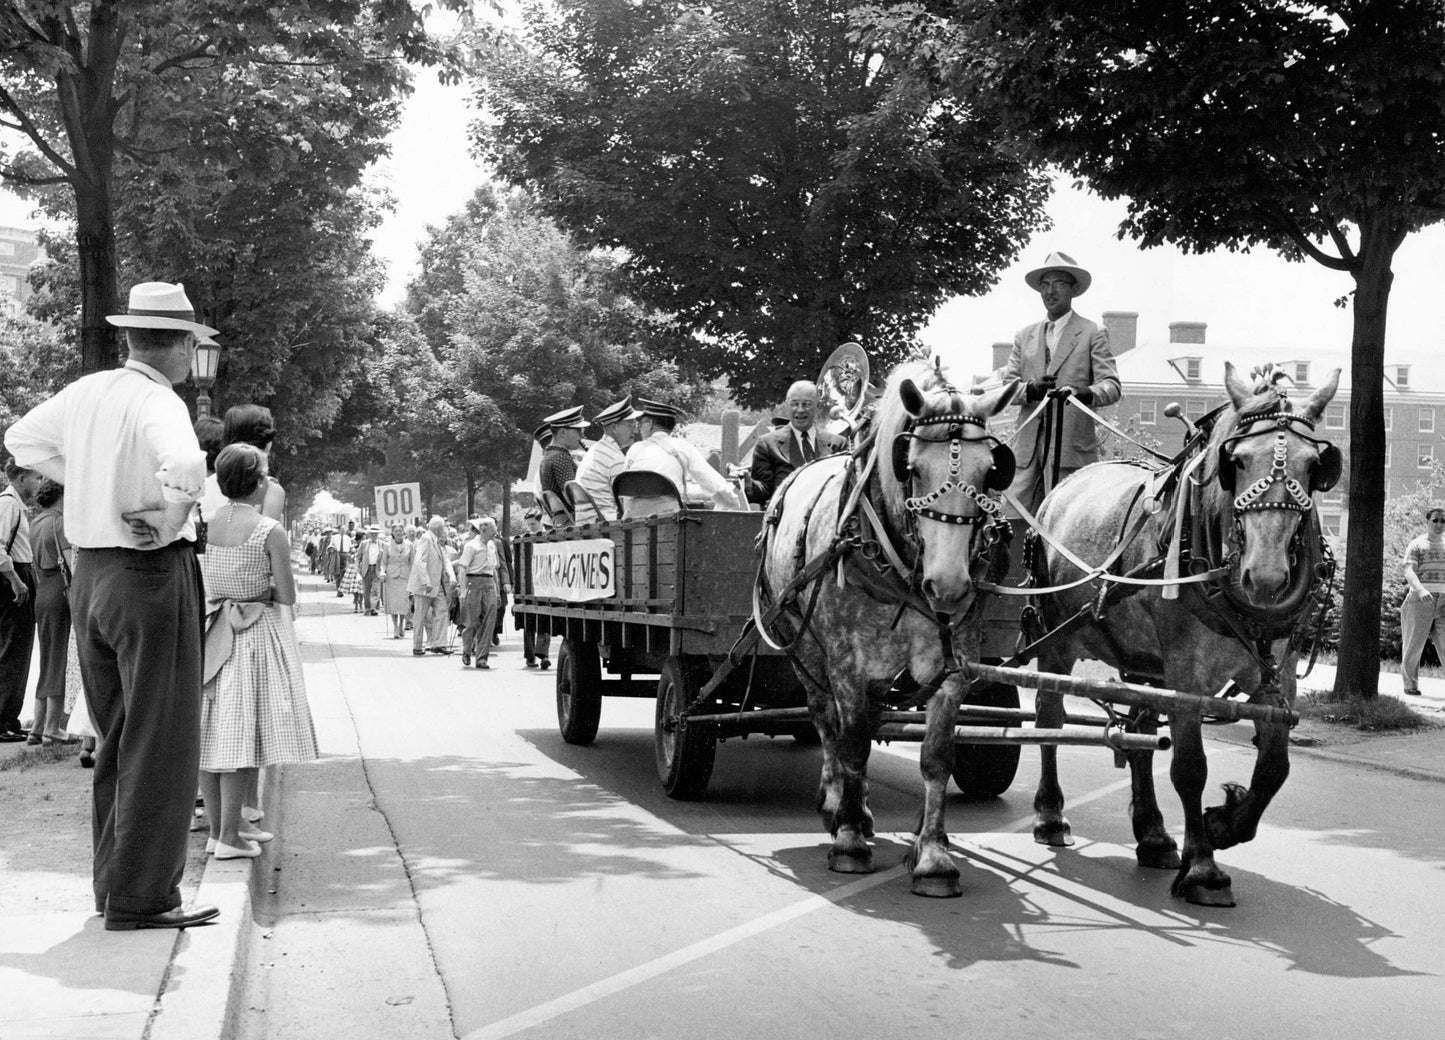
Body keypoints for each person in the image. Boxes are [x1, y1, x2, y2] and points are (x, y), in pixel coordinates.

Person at [4, 279, 218, 930]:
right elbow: (184, 462)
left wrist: (92, 474)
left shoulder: (87, 391)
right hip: (149, 574)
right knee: (163, 742)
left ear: (130, 335)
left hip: (90, 572)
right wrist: (174, 507)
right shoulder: (160, 402)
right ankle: (144, 897)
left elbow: (21, 442)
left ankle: (115, 888)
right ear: (181, 347)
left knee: (118, 739)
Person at [198, 444, 317, 859]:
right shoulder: (270, 530)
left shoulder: (209, 522)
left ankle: (219, 831)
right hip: (254, 634)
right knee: (240, 733)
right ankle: (230, 837)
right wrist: (258, 589)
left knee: (211, 730)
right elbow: (285, 592)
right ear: (259, 481)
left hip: (213, 630)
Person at [993, 251, 1120, 516]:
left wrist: (1081, 392)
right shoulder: (1024, 335)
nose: (1050, 291)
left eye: (1058, 284)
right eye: (1045, 285)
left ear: (1073, 289)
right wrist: (1030, 389)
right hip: (1027, 454)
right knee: (1014, 519)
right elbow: (1007, 387)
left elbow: (1111, 386)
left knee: (1065, 524)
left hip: (1069, 451)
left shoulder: (1091, 332)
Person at [25, 478, 81, 745]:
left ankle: (37, 726)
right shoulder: (60, 522)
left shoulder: (36, 521)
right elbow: (72, 563)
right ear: (61, 495)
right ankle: (52, 727)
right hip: (61, 590)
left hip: (42, 589)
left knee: (47, 657)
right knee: (61, 657)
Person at [623, 398, 743, 515]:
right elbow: (713, 482)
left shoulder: (634, 449)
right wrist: (735, 502)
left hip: (631, 522)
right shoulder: (683, 447)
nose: (639, 428)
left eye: (641, 423)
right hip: (669, 520)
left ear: (650, 424)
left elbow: (623, 485)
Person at [738, 381, 847, 505]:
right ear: (786, 406)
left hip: (826, 520)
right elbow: (763, 491)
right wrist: (747, 484)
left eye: (807, 404)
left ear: (817, 406)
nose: (800, 410)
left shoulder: (838, 444)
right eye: (794, 404)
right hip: (784, 520)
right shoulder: (767, 444)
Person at [0, 456, 41, 742]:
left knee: (19, 649)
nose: (39, 483)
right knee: (12, 649)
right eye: (36, 477)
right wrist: (15, 580)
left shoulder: (15, 505)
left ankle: (9, 718)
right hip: (12, 577)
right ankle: (2, 721)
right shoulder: (8, 504)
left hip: (20, 573)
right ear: (22, 477)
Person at [1399, 506, 1445, 696]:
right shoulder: (1417, 545)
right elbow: (1409, 570)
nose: (1439, 524)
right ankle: (1410, 685)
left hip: (1444, 601)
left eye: (1443, 521)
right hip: (1420, 600)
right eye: (1435, 520)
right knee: (1413, 644)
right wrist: (1421, 589)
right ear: (1427, 522)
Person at [574, 396, 641, 523]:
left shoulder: (597, 450)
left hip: (588, 523)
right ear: (615, 427)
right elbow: (627, 505)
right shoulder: (614, 458)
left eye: (636, 425)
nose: (635, 431)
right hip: (606, 525)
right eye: (630, 426)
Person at [456, 517, 508, 669]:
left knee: (489, 621)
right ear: (484, 530)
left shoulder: (492, 545)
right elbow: (463, 568)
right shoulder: (471, 546)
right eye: (493, 530)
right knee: (471, 622)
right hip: (474, 581)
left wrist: (497, 592)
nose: (496, 532)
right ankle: (467, 650)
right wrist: (463, 590)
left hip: (489, 583)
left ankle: (481, 658)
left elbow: (494, 570)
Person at [408, 515, 454, 656]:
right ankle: (417, 646)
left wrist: (451, 576)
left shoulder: (436, 541)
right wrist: (425, 581)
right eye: (443, 527)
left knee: (442, 611)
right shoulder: (426, 538)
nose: (445, 529)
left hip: (437, 585)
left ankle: (439, 644)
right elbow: (419, 561)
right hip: (425, 585)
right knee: (420, 616)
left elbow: (445, 560)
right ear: (438, 528)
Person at [538, 406, 588, 501]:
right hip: (571, 515)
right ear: (563, 433)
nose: (581, 435)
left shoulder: (551, 455)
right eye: (578, 430)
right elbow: (575, 498)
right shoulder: (560, 457)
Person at [380, 522, 414, 639]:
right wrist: (382, 572)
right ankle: (395, 626)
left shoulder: (409, 545)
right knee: (393, 602)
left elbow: (412, 562)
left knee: (404, 602)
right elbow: (383, 562)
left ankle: (401, 624)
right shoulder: (387, 545)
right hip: (392, 576)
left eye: (400, 530)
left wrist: (414, 577)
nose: (398, 533)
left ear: (403, 532)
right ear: (392, 533)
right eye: (396, 531)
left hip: (405, 576)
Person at [359, 526, 383, 615]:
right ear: (369, 534)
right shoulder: (364, 543)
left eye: (375, 534)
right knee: (366, 590)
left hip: (377, 569)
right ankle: (367, 608)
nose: (374, 535)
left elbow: (384, 558)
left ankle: (373, 608)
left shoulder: (382, 544)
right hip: (366, 568)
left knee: (376, 589)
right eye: (372, 533)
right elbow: (358, 557)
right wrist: (358, 568)